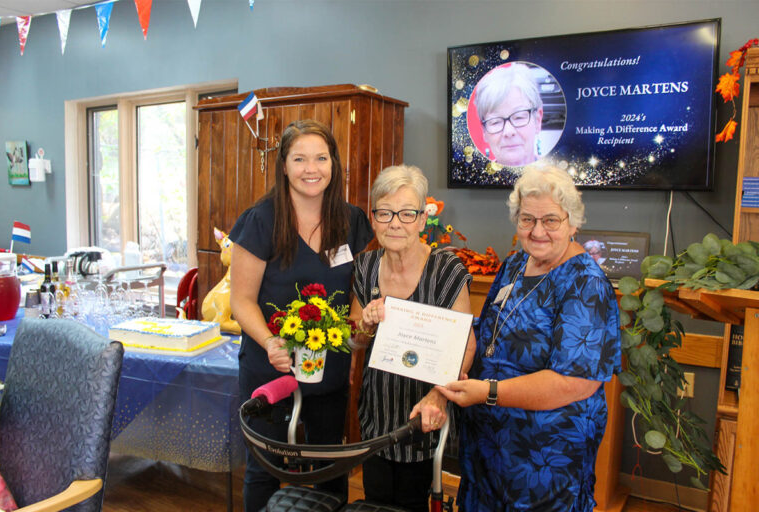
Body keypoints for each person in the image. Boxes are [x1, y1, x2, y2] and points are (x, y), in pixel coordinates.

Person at [438, 165, 621, 511]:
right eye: (527, 219)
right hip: (490, 446)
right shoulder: (515, 264)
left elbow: (574, 383)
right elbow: (488, 327)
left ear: (573, 222)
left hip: (544, 457)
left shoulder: (586, 284)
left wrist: (489, 391)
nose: (538, 231)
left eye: (550, 220)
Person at [229, 119, 374, 512]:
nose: (312, 169)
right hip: (270, 368)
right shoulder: (261, 220)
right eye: (300, 159)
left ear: (334, 164)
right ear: (284, 166)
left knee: (329, 466)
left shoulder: (352, 220)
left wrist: (359, 331)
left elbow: (359, 291)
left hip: (330, 369)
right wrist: (270, 342)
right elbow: (240, 300)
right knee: (265, 468)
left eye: (321, 158)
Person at [350, 164, 476, 512]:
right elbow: (353, 341)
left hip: (425, 416)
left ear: (422, 220)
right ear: (373, 219)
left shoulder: (447, 270)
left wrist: (439, 396)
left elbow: (466, 344)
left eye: (407, 213)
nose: (395, 223)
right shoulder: (365, 267)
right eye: (385, 212)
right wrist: (367, 325)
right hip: (376, 414)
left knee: (413, 503)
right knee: (375, 501)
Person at [475, 63, 544, 167]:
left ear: (537, 120)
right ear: (484, 131)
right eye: (495, 122)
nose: (508, 132)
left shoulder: (559, 178)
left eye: (519, 117)